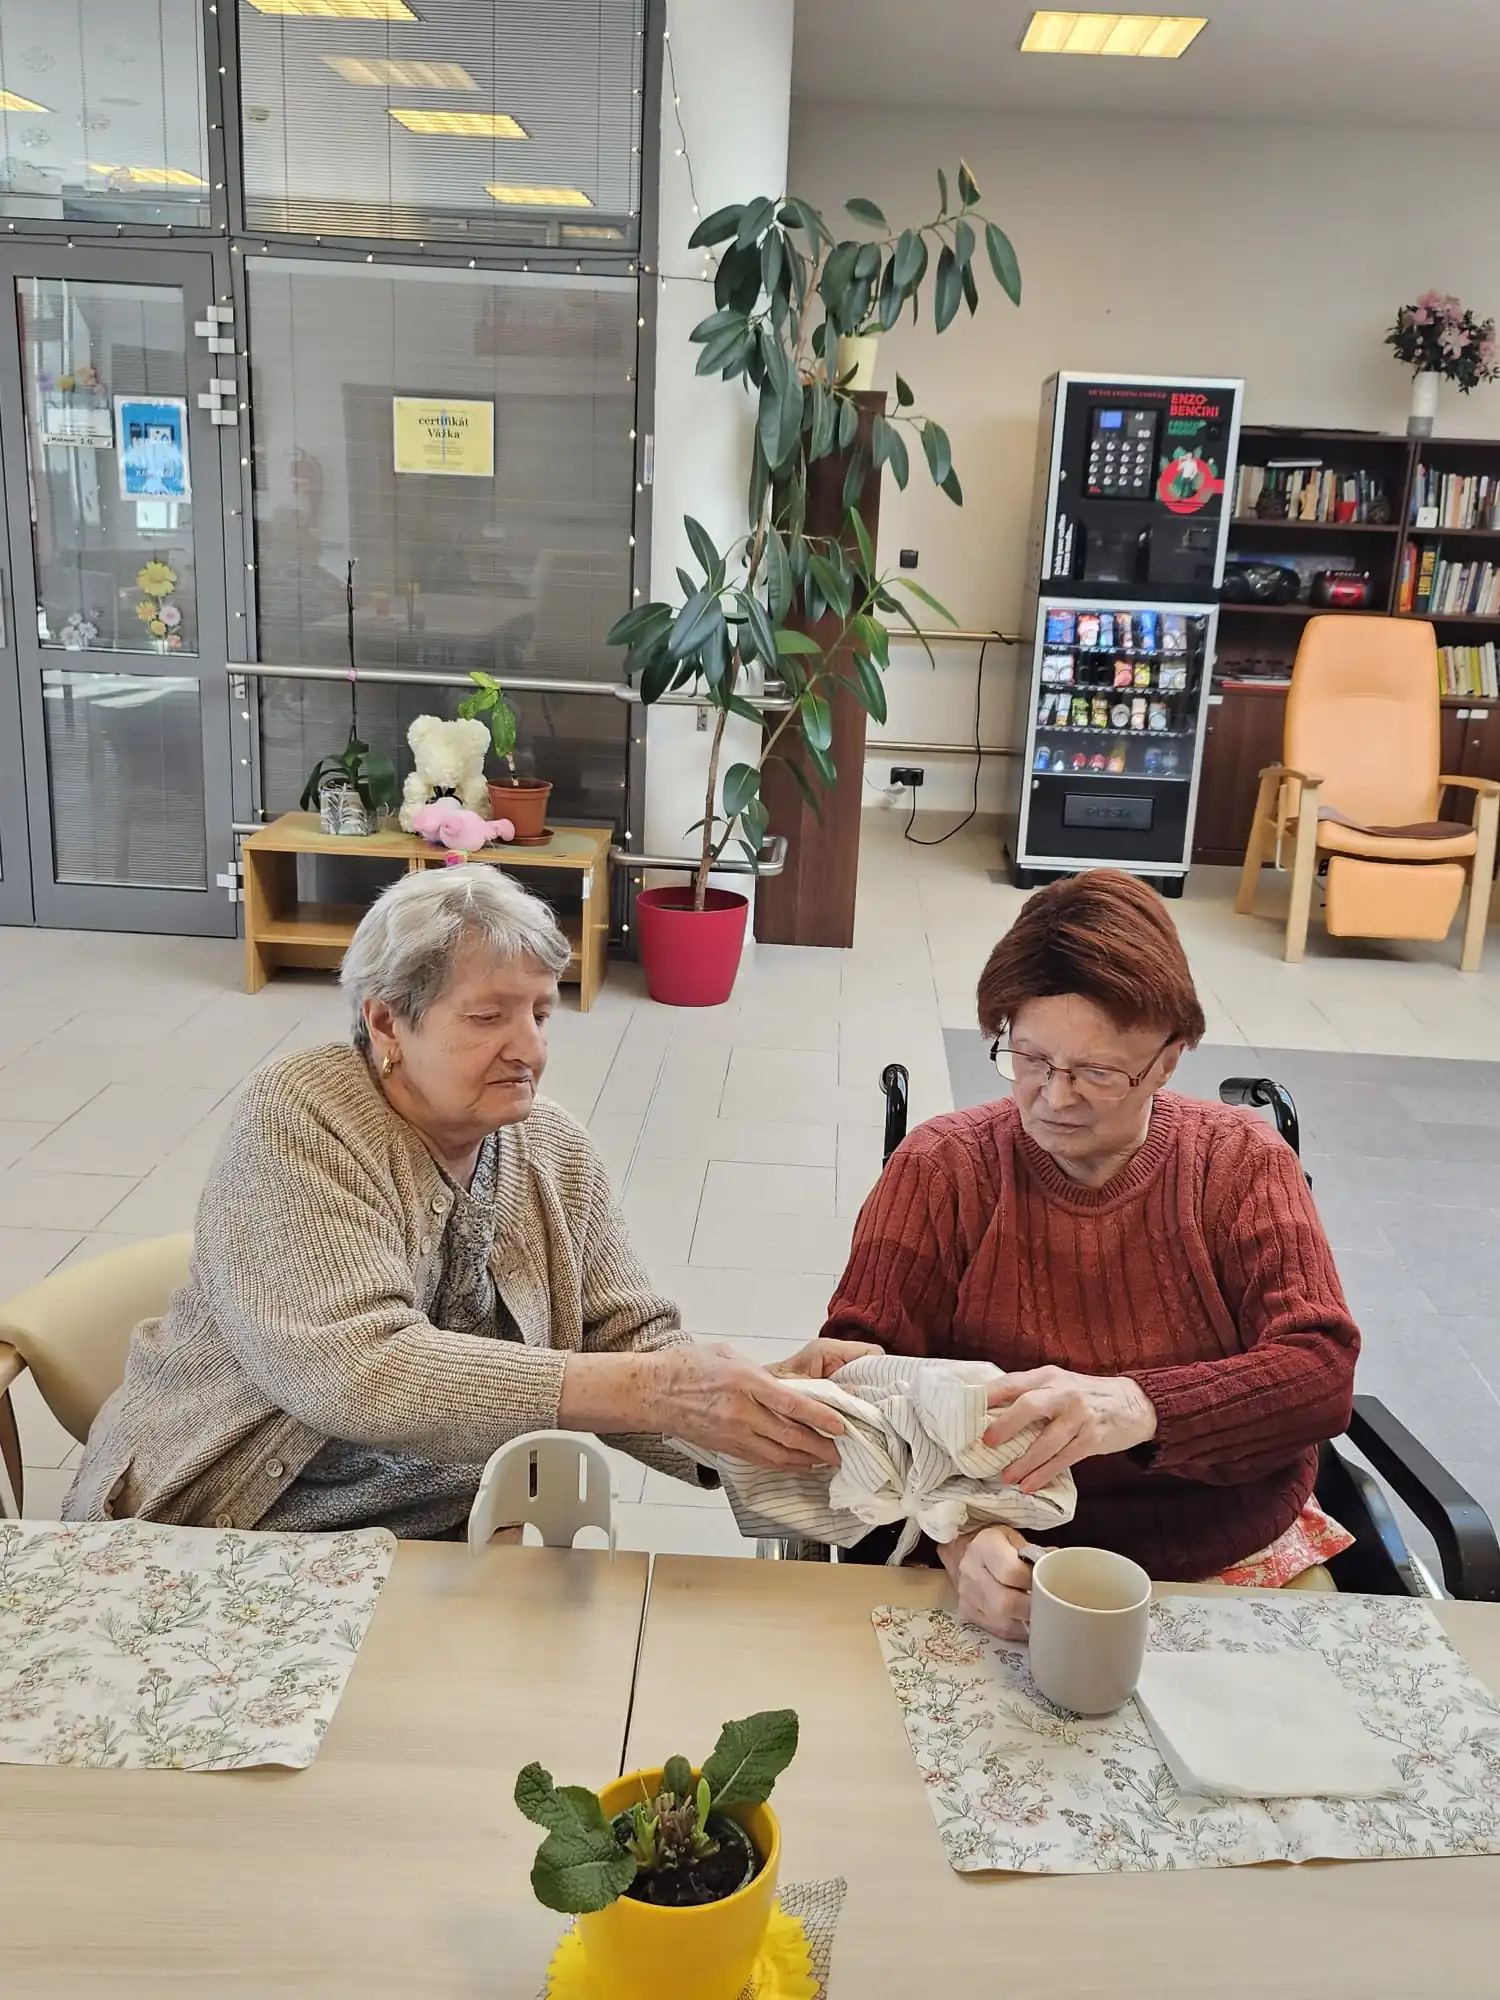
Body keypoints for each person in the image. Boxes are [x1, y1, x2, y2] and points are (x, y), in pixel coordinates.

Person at [66, 866, 861, 1537]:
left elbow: (625, 1337)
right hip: (239, 1523)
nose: (530, 1049)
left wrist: (771, 1403)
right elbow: (356, 1372)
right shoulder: (301, 1116)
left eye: (541, 1013)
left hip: (447, 1527)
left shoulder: (553, 1148)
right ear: (387, 1021)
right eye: (488, 1017)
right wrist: (660, 1391)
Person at [823, 868, 1360, 1636]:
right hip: (996, 1550)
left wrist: (1137, 1406)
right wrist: (958, 1532)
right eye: (1030, 1058)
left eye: (1099, 1072)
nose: (1054, 1096)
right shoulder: (943, 1168)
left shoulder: (1239, 1162)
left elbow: (1320, 1372)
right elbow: (860, 1384)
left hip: (1224, 1543)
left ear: (1169, 1059)